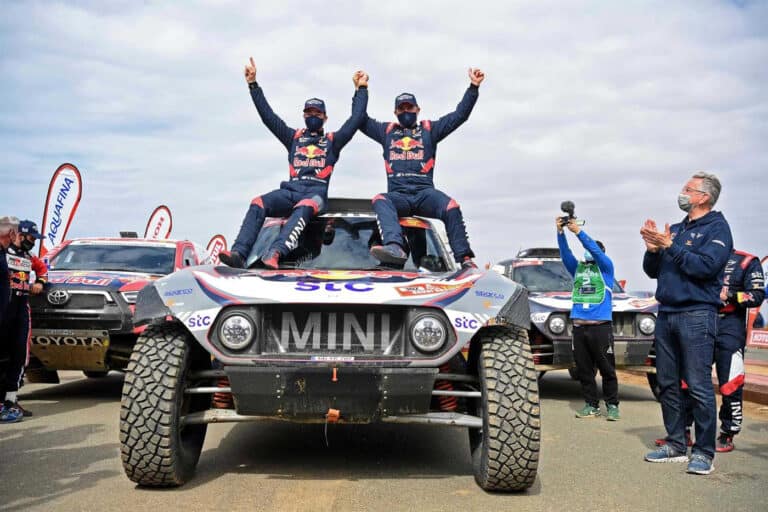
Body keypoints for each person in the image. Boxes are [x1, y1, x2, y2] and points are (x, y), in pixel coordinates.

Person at [219, 58, 368, 269]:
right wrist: (253, 85)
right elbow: (268, 118)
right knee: (258, 202)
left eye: (317, 113)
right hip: (290, 191)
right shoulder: (294, 138)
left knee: (306, 206)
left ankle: (276, 252)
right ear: (304, 115)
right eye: (309, 113)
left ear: (325, 117)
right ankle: (240, 253)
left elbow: (356, 119)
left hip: (315, 195)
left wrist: (360, 89)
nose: (312, 116)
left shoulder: (333, 142)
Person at [640, 171, 733, 475]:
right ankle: (676, 443)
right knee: (667, 383)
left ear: (703, 196)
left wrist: (671, 246)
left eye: (687, 189)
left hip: (697, 314)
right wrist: (653, 250)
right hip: (667, 314)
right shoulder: (677, 229)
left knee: (698, 385)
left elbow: (705, 267)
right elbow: (654, 271)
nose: (681, 193)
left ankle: (704, 452)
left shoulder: (717, 227)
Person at [360, 68, 485, 268]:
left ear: (418, 110)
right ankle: (394, 246)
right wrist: (361, 89)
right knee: (380, 199)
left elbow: (460, 116)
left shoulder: (430, 129)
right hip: (399, 195)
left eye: (410, 108)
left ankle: (466, 260)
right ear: (395, 113)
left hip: (424, 193)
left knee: (451, 206)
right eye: (402, 109)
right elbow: (360, 119)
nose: (406, 111)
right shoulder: (386, 132)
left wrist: (473, 87)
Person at [556, 217, 619, 420]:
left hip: (600, 327)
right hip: (579, 328)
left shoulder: (606, 268)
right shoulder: (578, 269)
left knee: (607, 368)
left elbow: (595, 250)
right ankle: (591, 405)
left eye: (591, 250)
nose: (587, 253)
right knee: (584, 369)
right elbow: (566, 254)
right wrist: (560, 232)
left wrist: (579, 233)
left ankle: (612, 405)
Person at [1, 220, 47, 423]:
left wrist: (39, 282)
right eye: (31, 238)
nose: (33, 242)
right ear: (19, 235)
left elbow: (43, 269)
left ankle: (11, 400)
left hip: (21, 307)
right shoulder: (4, 253)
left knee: (20, 353)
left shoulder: (29, 257)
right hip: (3, 307)